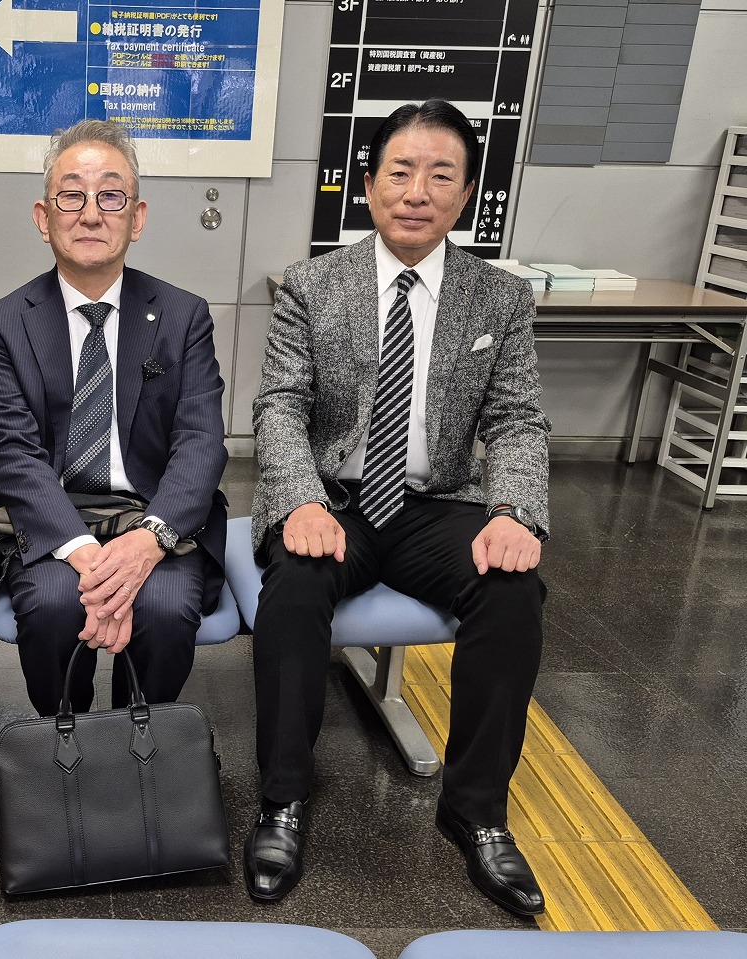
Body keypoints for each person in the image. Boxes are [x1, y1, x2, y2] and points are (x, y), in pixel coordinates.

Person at [246, 99, 550, 916]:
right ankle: (282, 799)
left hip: (436, 501)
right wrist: (300, 499)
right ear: (369, 183)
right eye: (401, 171)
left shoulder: (499, 298)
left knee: (513, 590)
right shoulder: (313, 285)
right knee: (297, 583)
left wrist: (513, 510)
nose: (418, 192)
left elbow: (516, 419)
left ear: (468, 192)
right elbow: (279, 405)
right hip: (335, 496)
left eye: (440, 175)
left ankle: (476, 810)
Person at [0, 119, 227, 716]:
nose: (90, 214)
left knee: (165, 609)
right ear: (43, 218)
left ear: (137, 218)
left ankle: (142, 745)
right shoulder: (1, 326)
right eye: (71, 196)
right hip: (53, 513)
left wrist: (147, 541)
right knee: (55, 607)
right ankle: (69, 744)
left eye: (111, 196)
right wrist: (89, 556)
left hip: (153, 512)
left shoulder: (183, 316)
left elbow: (201, 443)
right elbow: (10, 454)